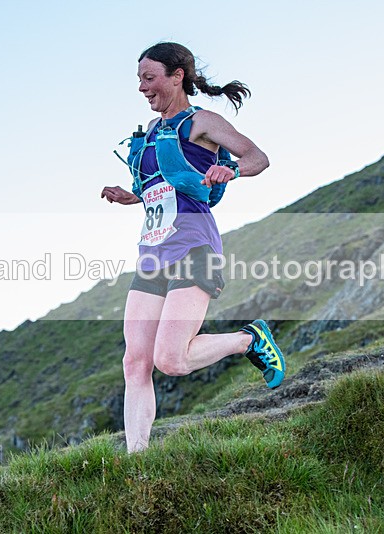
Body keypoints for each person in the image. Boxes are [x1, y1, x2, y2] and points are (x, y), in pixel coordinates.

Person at [101, 42, 285, 453]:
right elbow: (160, 190)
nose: (142, 88)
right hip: (152, 256)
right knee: (135, 362)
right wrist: (131, 196)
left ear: (176, 75)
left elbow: (258, 156)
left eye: (150, 79)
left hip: (193, 248)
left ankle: (248, 339)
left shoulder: (200, 122)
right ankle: (137, 461)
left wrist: (231, 169)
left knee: (171, 359)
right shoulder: (149, 134)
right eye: (139, 80)